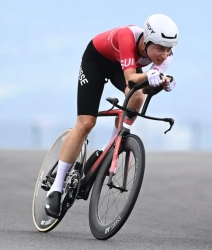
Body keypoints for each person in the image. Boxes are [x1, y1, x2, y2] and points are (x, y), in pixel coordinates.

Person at [44, 13, 179, 218]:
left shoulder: (166, 56)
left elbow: (145, 87)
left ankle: (111, 146)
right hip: (96, 62)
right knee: (86, 123)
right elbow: (132, 79)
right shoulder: (127, 37)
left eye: (168, 49)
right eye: (159, 48)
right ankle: (56, 186)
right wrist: (151, 76)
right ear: (146, 41)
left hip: (124, 67)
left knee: (137, 98)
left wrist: (163, 82)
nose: (164, 55)